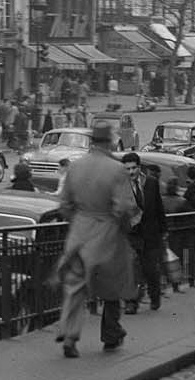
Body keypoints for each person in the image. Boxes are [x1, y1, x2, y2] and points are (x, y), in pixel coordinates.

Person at [53, 120, 139, 358]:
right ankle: (111, 335)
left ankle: (69, 335)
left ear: (92, 142)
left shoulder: (75, 167)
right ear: (109, 142)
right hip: (107, 233)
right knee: (112, 287)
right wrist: (122, 226)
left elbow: (64, 205)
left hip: (80, 232)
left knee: (75, 285)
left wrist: (79, 221)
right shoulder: (117, 169)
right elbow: (123, 207)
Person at [121, 152, 167, 313]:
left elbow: (159, 207)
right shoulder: (120, 187)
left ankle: (154, 296)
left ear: (139, 168)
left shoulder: (151, 183)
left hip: (151, 234)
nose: (131, 172)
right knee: (131, 270)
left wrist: (163, 229)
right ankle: (131, 302)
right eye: (127, 169)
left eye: (133, 168)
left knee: (151, 270)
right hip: (131, 235)